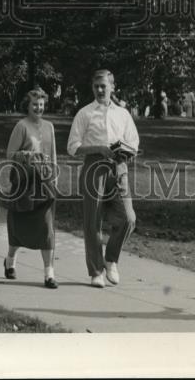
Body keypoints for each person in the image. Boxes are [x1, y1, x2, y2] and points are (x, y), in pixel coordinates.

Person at [67, 67, 139, 288]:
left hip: (119, 168)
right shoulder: (85, 113)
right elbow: (72, 147)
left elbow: (134, 142)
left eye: (104, 86)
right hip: (93, 168)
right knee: (93, 222)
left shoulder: (123, 114)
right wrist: (98, 148)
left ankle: (111, 259)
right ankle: (96, 271)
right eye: (96, 86)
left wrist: (126, 152)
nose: (100, 90)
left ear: (112, 87)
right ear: (92, 87)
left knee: (128, 219)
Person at [3, 88, 58, 288]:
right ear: (27, 105)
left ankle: (49, 274)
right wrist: (28, 156)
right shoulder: (21, 126)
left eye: (42, 104)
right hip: (25, 183)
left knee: (46, 228)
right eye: (35, 104)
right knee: (19, 229)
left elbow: (52, 154)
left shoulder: (50, 126)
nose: (39, 107)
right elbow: (10, 154)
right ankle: (10, 260)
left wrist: (54, 173)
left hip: (44, 184)